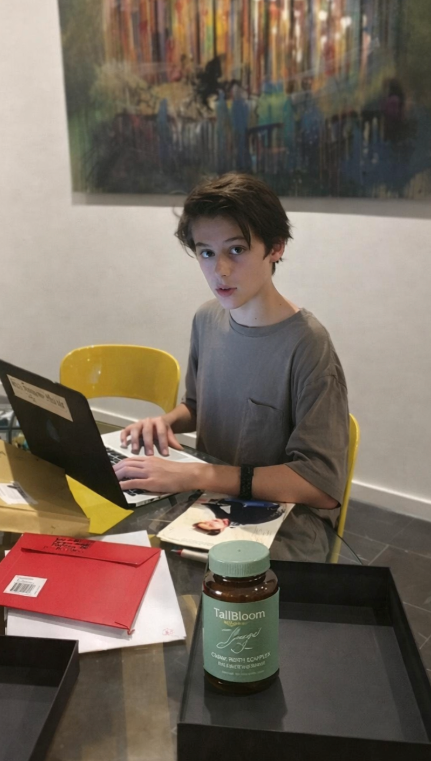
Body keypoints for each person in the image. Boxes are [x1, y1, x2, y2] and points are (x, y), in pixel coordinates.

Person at [113, 172, 349, 558]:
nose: (219, 270)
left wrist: (198, 474)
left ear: (275, 247)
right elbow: (198, 407)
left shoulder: (308, 344)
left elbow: (319, 486)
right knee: (122, 550)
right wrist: (165, 422)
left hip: (283, 522)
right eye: (206, 253)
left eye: (236, 250)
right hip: (210, 502)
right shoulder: (207, 319)